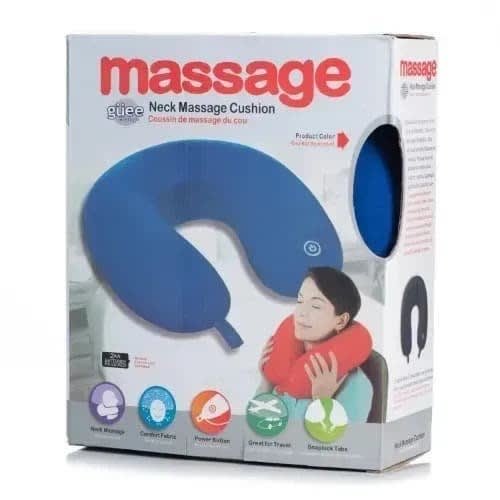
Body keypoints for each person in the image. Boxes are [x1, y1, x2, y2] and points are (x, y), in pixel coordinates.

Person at [258, 267, 373, 423]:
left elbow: (345, 438)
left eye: (316, 306)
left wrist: (321, 400)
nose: (301, 312)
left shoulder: (358, 387)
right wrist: (267, 381)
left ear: (341, 321)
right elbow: (257, 424)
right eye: (300, 301)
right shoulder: (284, 367)